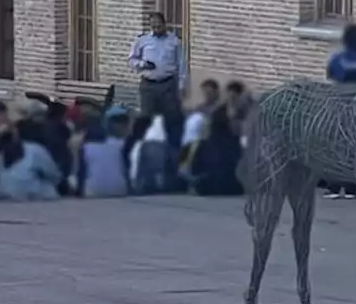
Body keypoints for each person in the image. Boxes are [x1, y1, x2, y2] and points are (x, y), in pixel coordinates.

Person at [324, 23, 356, 198]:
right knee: (354, 147)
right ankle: (351, 187)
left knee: (336, 146)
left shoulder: (339, 59)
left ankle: (334, 187)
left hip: (341, 105)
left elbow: (331, 75)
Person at [127, 12, 188, 146]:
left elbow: (182, 64)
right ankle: (145, 146)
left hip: (168, 84)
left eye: (159, 26)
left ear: (165, 24)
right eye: (154, 26)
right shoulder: (142, 40)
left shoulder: (174, 41)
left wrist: (182, 86)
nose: (157, 29)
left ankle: (171, 146)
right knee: (146, 117)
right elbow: (131, 60)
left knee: (171, 118)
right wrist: (142, 64)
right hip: (148, 85)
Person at [0, 119, 64, 201]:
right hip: (27, 191)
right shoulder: (36, 149)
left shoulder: (3, 150)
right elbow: (53, 174)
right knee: (49, 188)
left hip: (2, 189)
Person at [188, 108, 245, 196]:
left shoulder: (204, 144)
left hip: (209, 186)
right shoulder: (233, 141)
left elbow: (194, 169)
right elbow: (238, 160)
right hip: (229, 186)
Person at [78, 112, 130, 198]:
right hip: (120, 189)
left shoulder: (85, 148)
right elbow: (125, 168)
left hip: (93, 191)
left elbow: (81, 173)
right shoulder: (118, 144)